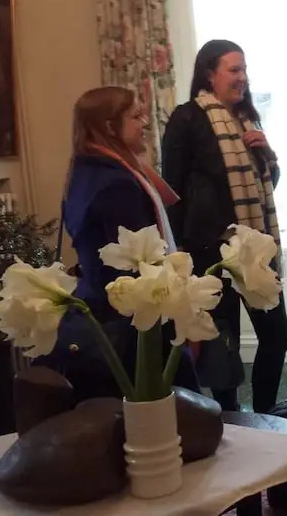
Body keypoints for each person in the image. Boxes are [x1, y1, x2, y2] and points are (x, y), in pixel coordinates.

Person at [34, 86, 200, 402]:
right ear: (110, 126)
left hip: (100, 306)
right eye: (136, 116)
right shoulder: (117, 183)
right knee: (159, 413)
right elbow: (137, 267)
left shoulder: (85, 170)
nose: (145, 124)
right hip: (128, 323)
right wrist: (179, 313)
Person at [161, 39, 287, 413]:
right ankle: (229, 418)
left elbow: (265, 186)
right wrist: (181, 252)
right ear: (209, 74)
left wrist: (267, 155)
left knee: (277, 335)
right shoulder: (187, 119)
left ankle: (265, 414)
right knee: (222, 345)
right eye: (234, 69)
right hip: (210, 251)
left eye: (244, 69)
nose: (242, 77)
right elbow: (173, 189)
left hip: (253, 249)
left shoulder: (247, 120)